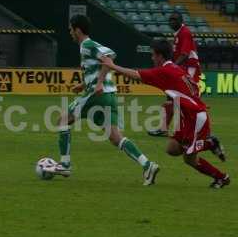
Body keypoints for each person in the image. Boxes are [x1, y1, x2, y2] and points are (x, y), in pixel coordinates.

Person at [47, 14, 159, 186]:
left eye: (70, 29)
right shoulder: (86, 47)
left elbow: (109, 58)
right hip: (109, 96)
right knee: (115, 137)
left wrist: (98, 83)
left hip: (96, 95)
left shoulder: (87, 44)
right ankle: (147, 165)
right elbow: (101, 64)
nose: (69, 32)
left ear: (77, 30)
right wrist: (83, 84)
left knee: (62, 120)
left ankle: (65, 164)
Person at [102, 40, 229, 189]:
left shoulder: (165, 71)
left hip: (194, 118)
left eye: (153, 55)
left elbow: (136, 75)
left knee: (189, 158)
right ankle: (209, 143)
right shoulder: (175, 68)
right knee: (172, 149)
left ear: (160, 56)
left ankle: (221, 176)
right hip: (187, 116)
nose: (152, 58)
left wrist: (112, 66)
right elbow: (193, 88)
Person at [148, 12, 201, 137]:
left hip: (189, 69)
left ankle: (197, 128)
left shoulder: (185, 32)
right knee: (171, 96)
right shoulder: (178, 34)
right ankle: (164, 128)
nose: (172, 22)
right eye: (170, 20)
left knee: (188, 99)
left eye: (174, 19)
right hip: (182, 68)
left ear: (181, 21)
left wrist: (173, 67)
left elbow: (185, 54)